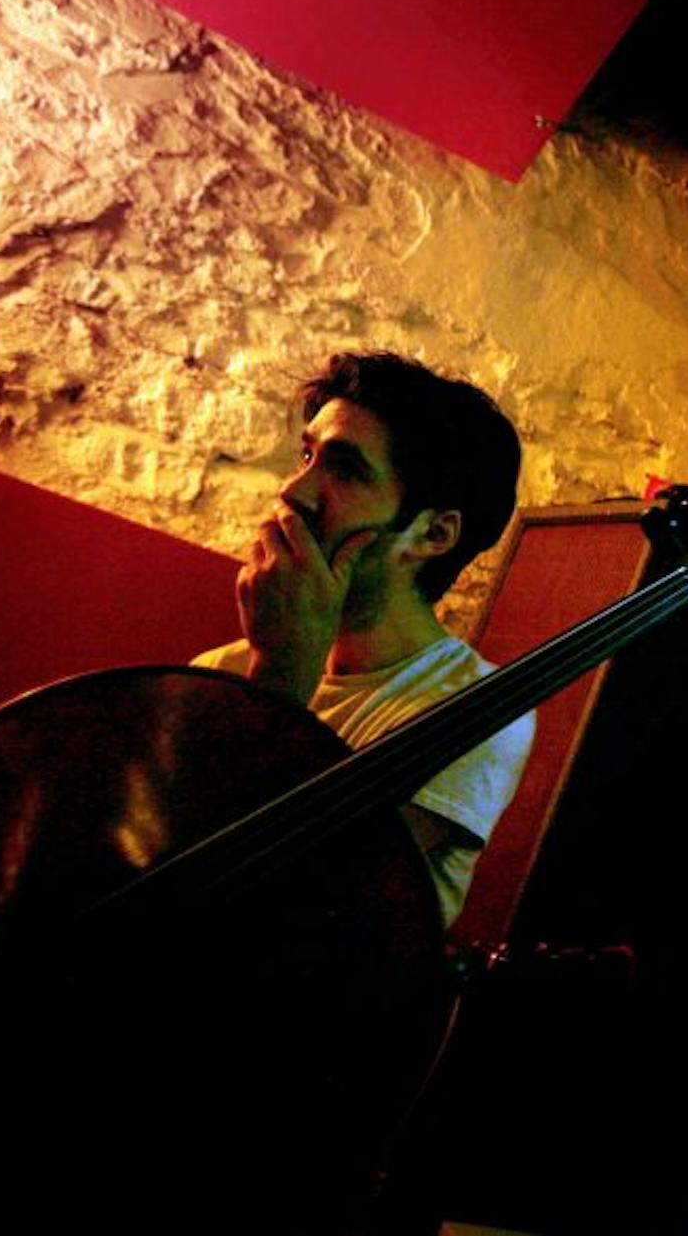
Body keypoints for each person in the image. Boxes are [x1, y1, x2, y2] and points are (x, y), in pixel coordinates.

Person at [193, 350, 534, 926]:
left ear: (432, 533)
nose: (294, 492)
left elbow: (282, 904)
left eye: (345, 469)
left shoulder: (476, 711)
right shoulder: (219, 672)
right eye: (307, 455)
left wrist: (280, 675)